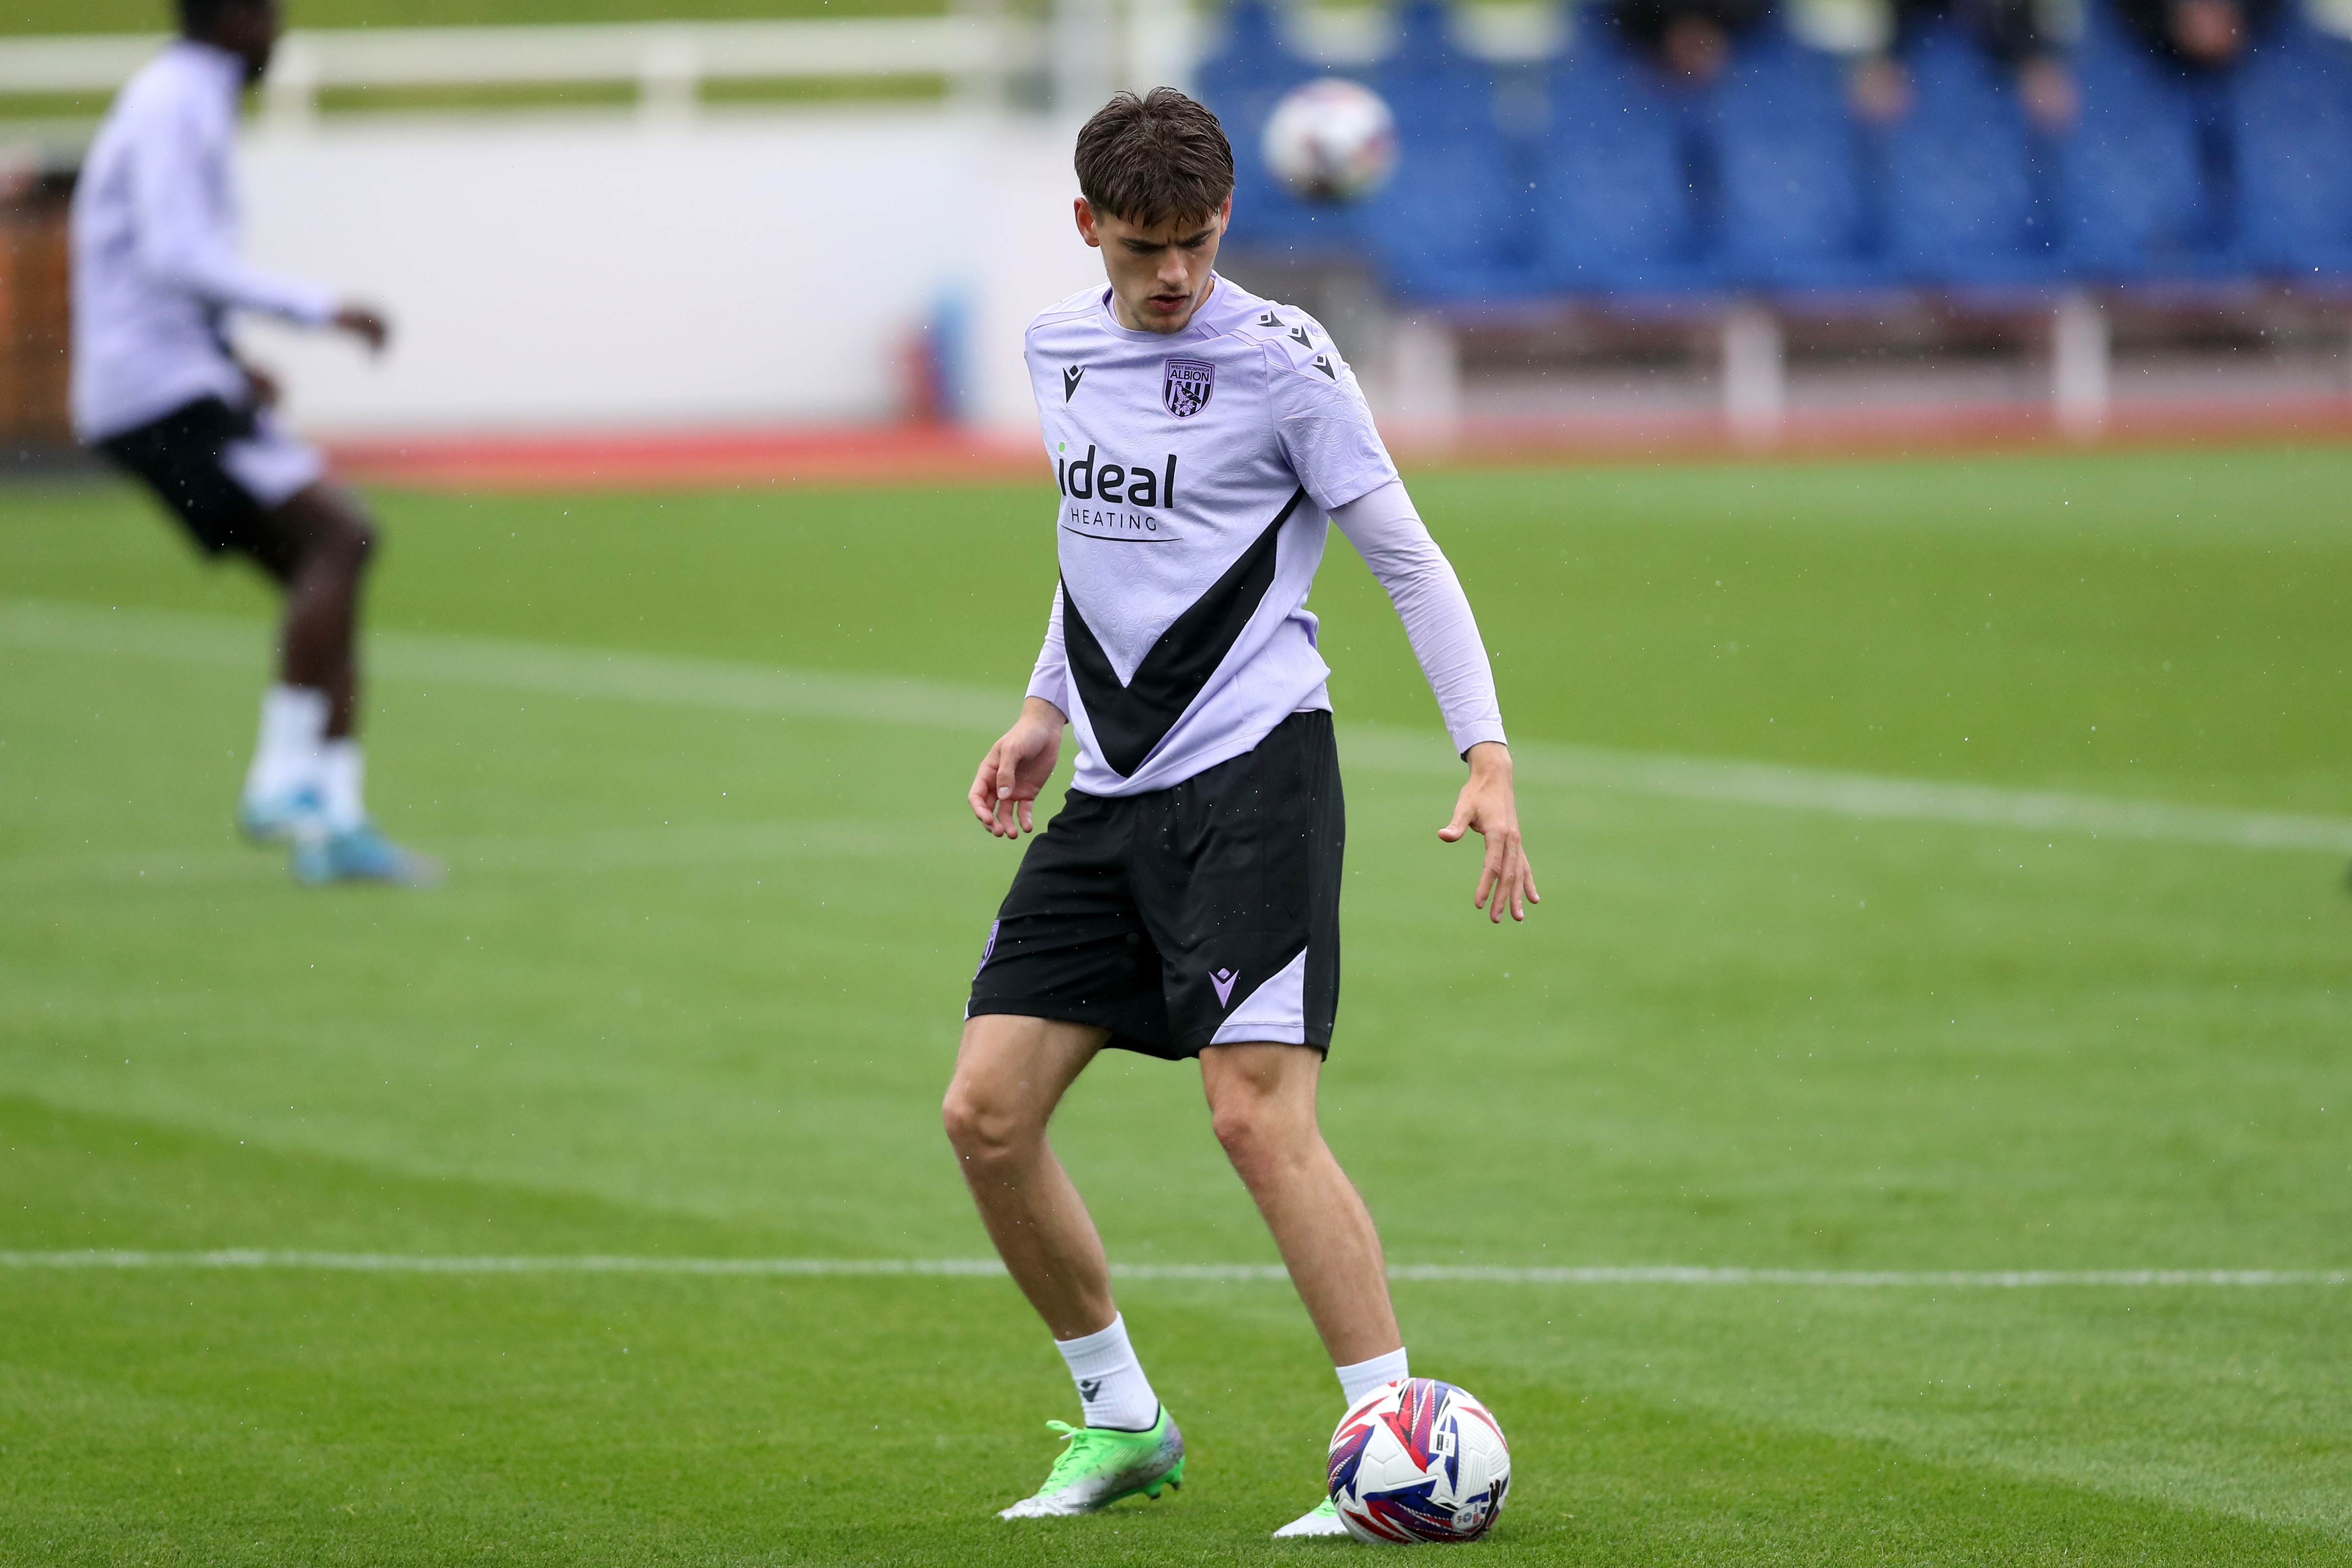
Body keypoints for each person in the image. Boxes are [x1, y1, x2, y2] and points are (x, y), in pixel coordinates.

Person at [943, 88, 1538, 1538]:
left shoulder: (1284, 361)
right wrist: (1042, 705)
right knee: (985, 1112)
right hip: (1110, 787)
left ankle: (1386, 1439)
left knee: (1252, 1112)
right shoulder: (1056, 348)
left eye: (1197, 244)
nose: (1172, 276)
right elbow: (1100, 547)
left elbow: (1407, 556)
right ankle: (1121, 1418)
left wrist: (1487, 749)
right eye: (1144, 246)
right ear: (1088, 226)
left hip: (1256, 776)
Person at [70, 0, 435, 885]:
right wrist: (323, 309)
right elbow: (176, 255)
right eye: (268, 14)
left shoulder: (185, 98)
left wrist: (230, 357)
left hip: (179, 376)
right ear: (228, 18)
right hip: (155, 388)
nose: (280, 31)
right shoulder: (173, 102)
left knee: (331, 577)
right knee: (342, 539)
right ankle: (282, 784)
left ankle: (336, 822)